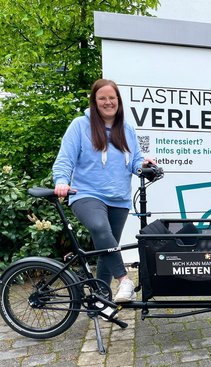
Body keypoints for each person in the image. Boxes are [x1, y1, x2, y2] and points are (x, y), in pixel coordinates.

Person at [53, 78, 154, 303]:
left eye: (112, 97)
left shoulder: (126, 129)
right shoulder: (80, 126)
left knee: (106, 251)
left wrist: (145, 166)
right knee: (100, 228)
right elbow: (65, 160)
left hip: (119, 198)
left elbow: (135, 161)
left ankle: (101, 300)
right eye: (102, 98)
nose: (108, 102)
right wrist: (61, 181)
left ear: (118, 100)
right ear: (94, 101)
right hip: (86, 194)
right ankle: (124, 280)